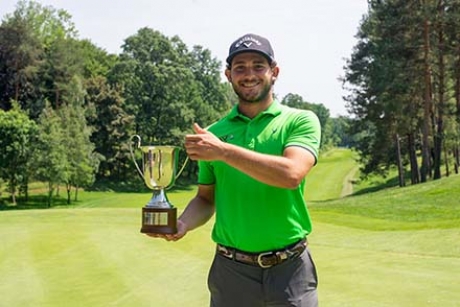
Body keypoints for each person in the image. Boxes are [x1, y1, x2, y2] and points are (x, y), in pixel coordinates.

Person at [149, 33, 321, 307]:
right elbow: (206, 198)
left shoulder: (299, 121)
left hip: (290, 271)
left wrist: (222, 151)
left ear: (274, 72)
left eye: (258, 65)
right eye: (240, 67)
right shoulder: (215, 133)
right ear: (228, 75)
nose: (249, 74)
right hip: (231, 273)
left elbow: (291, 174)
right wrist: (183, 223)